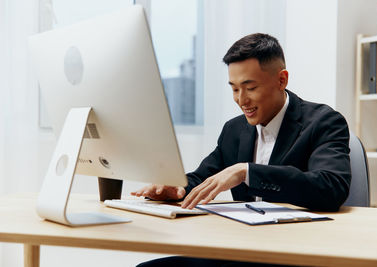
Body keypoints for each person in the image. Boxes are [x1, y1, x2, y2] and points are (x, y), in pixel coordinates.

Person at [133, 33, 351, 267]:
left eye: (250, 88)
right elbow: (204, 177)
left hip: (294, 255)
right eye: (235, 89)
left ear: (282, 80)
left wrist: (247, 172)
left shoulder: (324, 122)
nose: (241, 100)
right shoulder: (234, 130)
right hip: (242, 249)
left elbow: (331, 188)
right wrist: (176, 187)